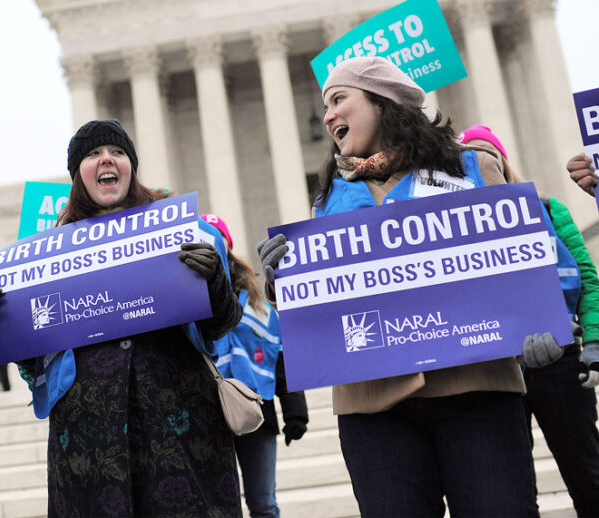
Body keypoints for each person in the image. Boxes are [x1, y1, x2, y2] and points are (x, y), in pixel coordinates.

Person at [257, 57, 556, 516]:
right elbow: (325, 303)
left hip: (477, 390)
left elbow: (526, 257)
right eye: (325, 105)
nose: (328, 115)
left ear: (384, 101)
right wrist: (283, 280)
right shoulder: (329, 197)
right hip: (372, 409)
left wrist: (543, 323)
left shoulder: (471, 167)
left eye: (339, 99)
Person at [0, 119, 243, 517]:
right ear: (77, 175)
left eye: (116, 152)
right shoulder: (44, 257)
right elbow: (31, 356)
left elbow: (222, 324)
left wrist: (215, 281)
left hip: (179, 426)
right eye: (93, 154)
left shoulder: (181, 230)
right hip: (87, 444)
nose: (106, 160)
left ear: (131, 167)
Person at [461, 126, 599, 516]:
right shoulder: (456, 228)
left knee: (587, 474)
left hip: (562, 361)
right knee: (512, 490)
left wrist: (593, 343)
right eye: (470, 158)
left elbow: (586, 278)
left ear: (503, 161)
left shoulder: (551, 209)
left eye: (487, 155)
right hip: (498, 369)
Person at [203, 213, 308, 518]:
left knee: (263, 504)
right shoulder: (186, 294)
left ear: (227, 245)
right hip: (206, 414)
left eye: (216, 237)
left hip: (256, 412)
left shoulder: (257, 301)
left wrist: (295, 411)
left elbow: (279, 353)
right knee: (218, 506)